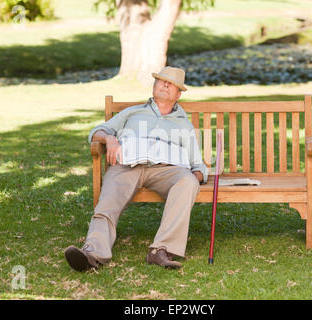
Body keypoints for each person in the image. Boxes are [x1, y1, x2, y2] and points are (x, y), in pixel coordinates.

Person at [64, 66, 208, 271]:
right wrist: (109, 138)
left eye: (171, 83)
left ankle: (161, 250)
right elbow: (96, 132)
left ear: (178, 94)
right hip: (127, 166)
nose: (165, 85)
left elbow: (198, 165)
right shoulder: (132, 112)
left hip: (165, 171)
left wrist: (193, 181)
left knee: (188, 181)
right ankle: (92, 253)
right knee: (109, 201)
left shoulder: (184, 125)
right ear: (154, 86)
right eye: (161, 80)